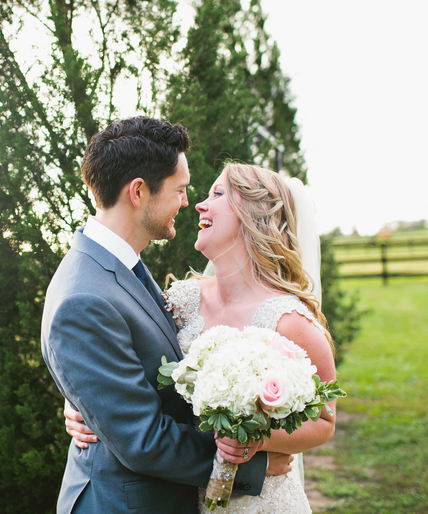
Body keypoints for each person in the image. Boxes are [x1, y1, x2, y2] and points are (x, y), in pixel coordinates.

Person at [41, 118, 288, 514]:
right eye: (180, 190)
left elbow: (125, 381)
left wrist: (85, 403)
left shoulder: (119, 265)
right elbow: (142, 441)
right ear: (138, 191)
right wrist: (251, 466)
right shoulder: (84, 298)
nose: (188, 203)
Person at [65, 162, 338, 514]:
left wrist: (251, 436)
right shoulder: (182, 301)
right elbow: (114, 351)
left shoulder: (290, 321)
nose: (198, 204)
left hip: (258, 500)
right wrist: (81, 401)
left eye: (218, 194)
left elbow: (325, 420)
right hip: (179, 494)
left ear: (252, 214)